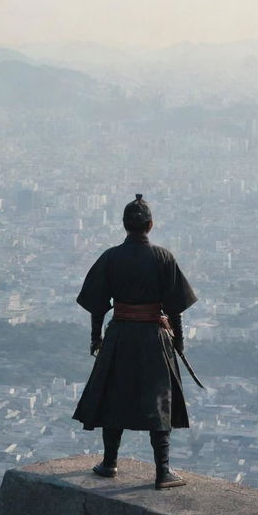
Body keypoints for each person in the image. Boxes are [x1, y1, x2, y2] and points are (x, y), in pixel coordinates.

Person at [72, 194, 198, 489]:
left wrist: (96, 337)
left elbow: (97, 304)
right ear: (150, 225)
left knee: (114, 396)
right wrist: (178, 341)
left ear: (125, 225)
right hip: (154, 336)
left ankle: (109, 462)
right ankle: (162, 471)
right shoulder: (163, 258)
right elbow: (175, 307)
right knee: (160, 399)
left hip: (120, 334)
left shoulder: (111, 257)